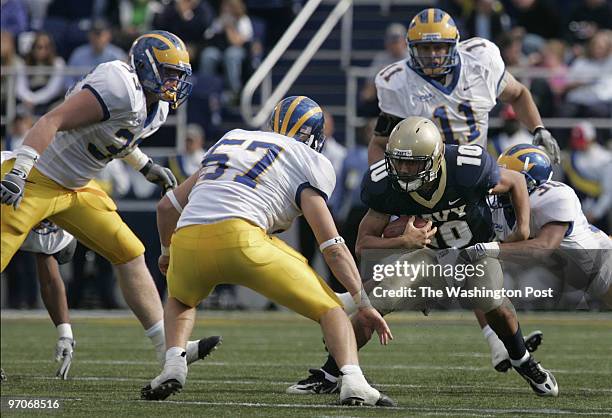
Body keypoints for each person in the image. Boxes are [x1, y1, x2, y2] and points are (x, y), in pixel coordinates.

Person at [142, 96, 395, 407]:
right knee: (331, 309)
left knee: (180, 300)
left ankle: (174, 365)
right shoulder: (308, 158)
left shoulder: (232, 138)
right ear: (314, 137)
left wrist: (168, 252)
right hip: (243, 240)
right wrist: (362, 301)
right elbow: (332, 246)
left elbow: (167, 207)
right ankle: (354, 383)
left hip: (188, 239)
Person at [290, 117, 558, 397]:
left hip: (475, 250)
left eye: (413, 163)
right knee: (374, 305)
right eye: (399, 161)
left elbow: (515, 180)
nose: (404, 170)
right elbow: (363, 243)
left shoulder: (467, 169)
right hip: (428, 253)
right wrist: (403, 241)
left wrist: (522, 229)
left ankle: (522, 360)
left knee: (491, 300)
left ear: (435, 157)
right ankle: (331, 373)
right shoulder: (385, 183)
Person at [1, 30, 219, 368]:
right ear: (146, 65)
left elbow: (114, 137)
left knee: (129, 251)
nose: (174, 83)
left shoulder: (155, 108)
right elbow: (52, 119)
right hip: (38, 178)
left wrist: (145, 166)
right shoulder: (118, 84)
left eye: (179, 76)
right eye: (169, 73)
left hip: (78, 187)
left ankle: (168, 347)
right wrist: (20, 171)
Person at [465, 144, 612, 366]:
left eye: (509, 176)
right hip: (569, 273)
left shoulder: (555, 195)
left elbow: (544, 247)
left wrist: (491, 249)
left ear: (531, 183)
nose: (499, 182)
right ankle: (498, 344)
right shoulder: (499, 208)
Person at [368, 8, 560, 168]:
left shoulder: (479, 62)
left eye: (439, 47)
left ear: (453, 45)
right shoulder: (398, 82)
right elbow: (379, 143)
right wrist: (383, 183)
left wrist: (538, 128)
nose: (433, 55)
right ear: (411, 48)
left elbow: (518, 94)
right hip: (427, 177)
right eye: (425, 48)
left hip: (476, 170)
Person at [562, 122, 612, 233]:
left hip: (597, 212)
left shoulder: (606, 159)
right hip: (576, 210)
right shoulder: (571, 157)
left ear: (591, 138)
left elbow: (608, 191)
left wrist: (596, 212)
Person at [200, 0, 254, 96]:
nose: (226, 9)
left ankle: (234, 91)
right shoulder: (219, 20)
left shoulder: (243, 20)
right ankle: (206, 90)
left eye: (229, 7)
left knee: (231, 55)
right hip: (220, 49)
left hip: (239, 50)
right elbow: (208, 36)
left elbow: (237, 42)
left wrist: (229, 27)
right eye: (225, 7)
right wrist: (220, 26)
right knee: (208, 54)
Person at [65, 19, 127, 89]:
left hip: (108, 96)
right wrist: (74, 92)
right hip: (80, 94)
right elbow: (68, 78)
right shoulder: (78, 54)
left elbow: (124, 81)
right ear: (89, 35)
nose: (97, 38)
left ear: (108, 35)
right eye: (94, 33)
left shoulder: (118, 55)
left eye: (100, 34)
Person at [16, 32, 66, 115]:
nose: (42, 50)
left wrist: (34, 100)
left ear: (51, 48)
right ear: (33, 48)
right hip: (28, 100)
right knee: (19, 112)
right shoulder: (24, 63)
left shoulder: (58, 63)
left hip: (50, 100)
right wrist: (28, 99)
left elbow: (53, 90)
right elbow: (20, 87)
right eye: (39, 47)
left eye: (46, 47)